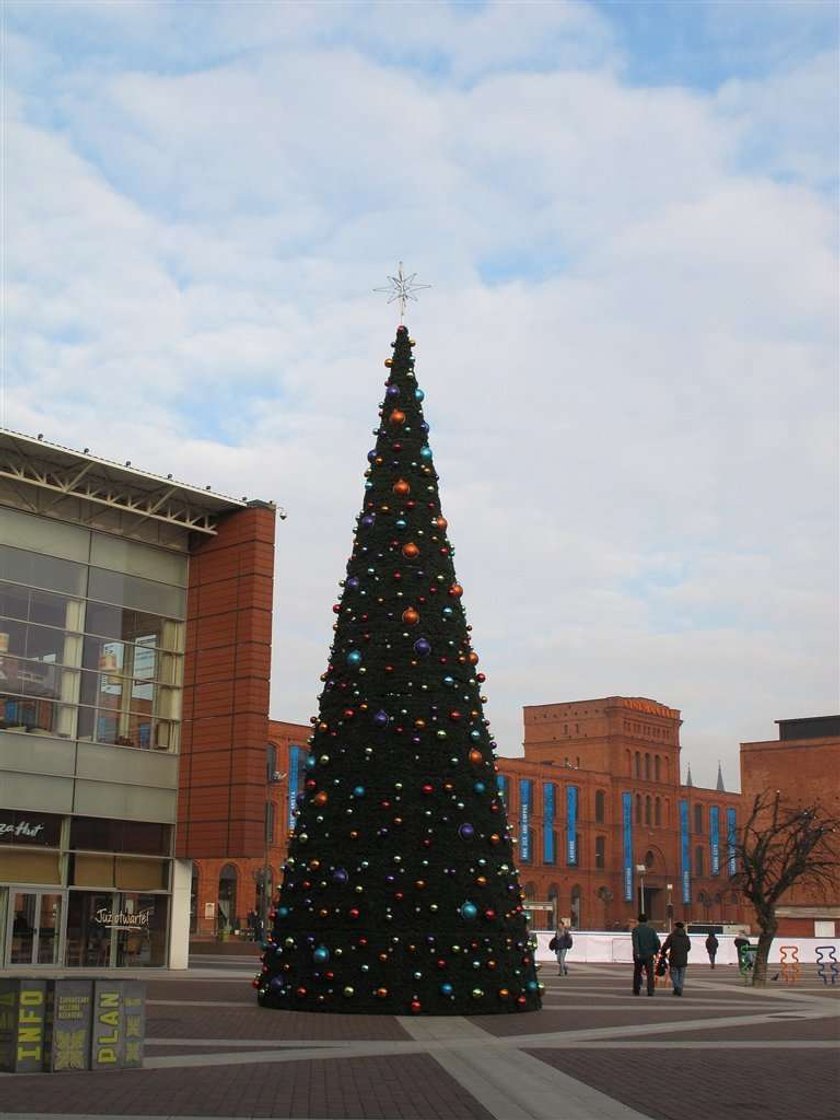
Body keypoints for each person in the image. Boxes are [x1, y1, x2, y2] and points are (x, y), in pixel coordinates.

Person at [632, 913, 661, 996]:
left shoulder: (636, 930)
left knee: (637, 972)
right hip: (649, 954)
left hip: (639, 955)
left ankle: (636, 989)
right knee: (650, 973)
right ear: (647, 921)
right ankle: (650, 990)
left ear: (638, 920)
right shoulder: (651, 930)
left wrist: (637, 952)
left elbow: (635, 942)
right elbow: (657, 942)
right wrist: (656, 951)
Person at [661, 921, 692, 995]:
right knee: (681, 975)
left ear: (676, 927)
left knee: (673, 974)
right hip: (683, 958)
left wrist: (663, 952)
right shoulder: (686, 937)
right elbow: (688, 948)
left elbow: (666, 946)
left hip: (674, 958)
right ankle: (679, 989)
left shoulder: (672, 936)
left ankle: (677, 987)